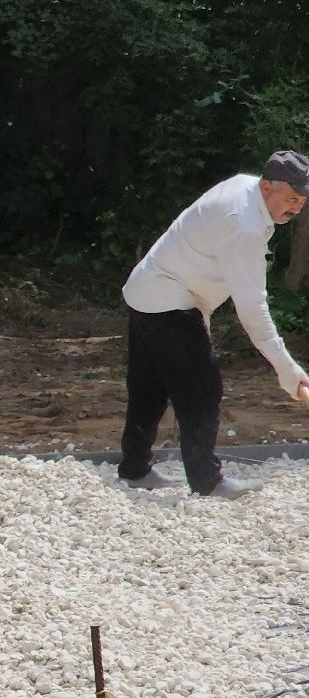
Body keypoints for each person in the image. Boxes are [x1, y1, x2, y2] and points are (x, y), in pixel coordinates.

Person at [117, 149, 309, 497]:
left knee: (149, 389)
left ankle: (134, 469)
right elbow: (251, 308)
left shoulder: (244, 185)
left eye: (302, 201)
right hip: (170, 300)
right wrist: (287, 369)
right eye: (292, 198)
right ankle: (208, 481)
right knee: (203, 389)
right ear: (267, 187)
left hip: (147, 289)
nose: (296, 208)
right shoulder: (245, 227)